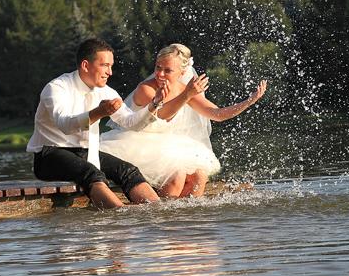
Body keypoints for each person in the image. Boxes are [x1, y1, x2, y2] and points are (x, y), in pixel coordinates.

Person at [26, 38, 207, 209]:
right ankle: (121, 217)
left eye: (111, 66)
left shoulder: (107, 91)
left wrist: (154, 105)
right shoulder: (57, 88)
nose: (110, 72)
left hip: (86, 153)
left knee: (128, 170)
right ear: (85, 65)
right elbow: (65, 125)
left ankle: (156, 214)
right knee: (92, 174)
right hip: (49, 154)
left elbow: (132, 123)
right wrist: (99, 112)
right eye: (105, 65)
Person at [100, 43, 267, 199]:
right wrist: (187, 95)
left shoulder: (185, 89)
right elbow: (162, 115)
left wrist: (248, 102)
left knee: (200, 175)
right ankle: (163, 218)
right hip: (137, 142)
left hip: (168, 144)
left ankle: (188, 221)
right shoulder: (146, 89)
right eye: (158, 68)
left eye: (168, 70)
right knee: (177, 174)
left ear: (182, 72)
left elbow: (217, 114)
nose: (160, 74)